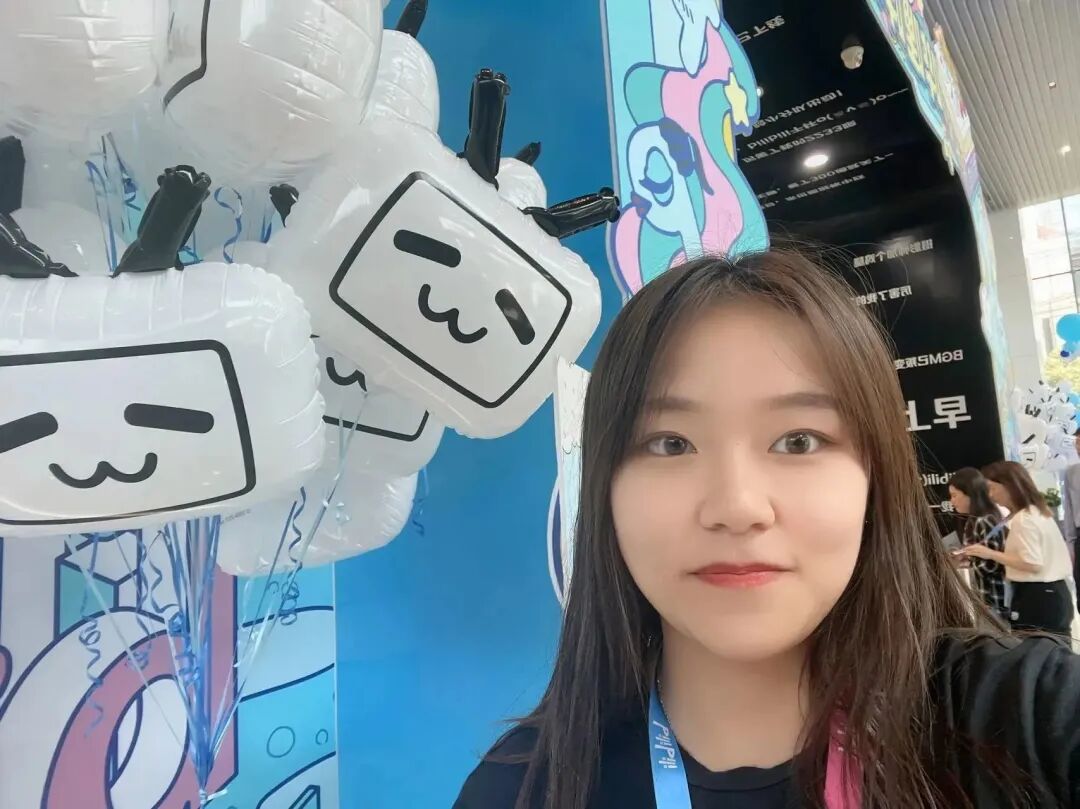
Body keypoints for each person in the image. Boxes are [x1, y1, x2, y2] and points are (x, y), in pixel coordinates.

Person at [453, 251, 1080, 809]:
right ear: (604, 489)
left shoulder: (1025, 719)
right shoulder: (522, 788)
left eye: (798, 440)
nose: (737, 506)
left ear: (875, 477)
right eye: (670, 443)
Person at [965, 461, 1073, 636]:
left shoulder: (1024, 520)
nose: (991, 495)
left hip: (1037, 597)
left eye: (993, 488)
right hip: (1052, 594)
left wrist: (990, 554)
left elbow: (1032, 563)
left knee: (1036, 649)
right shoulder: (1035, 512)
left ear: (1010, 486)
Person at [947, 468, 1009, 621]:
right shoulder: (973, 521)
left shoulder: (985, 520)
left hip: (994, 601)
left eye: (954, 495)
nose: (951, 501)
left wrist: (966, 563)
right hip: (984, 600)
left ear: (970, 494)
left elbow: (991, 565)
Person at [1061, 435, 1080, 610]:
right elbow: (1068, 508)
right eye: (1077, 443)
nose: (1078, 447)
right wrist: (1070, 543)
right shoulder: (1072, 472)